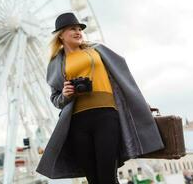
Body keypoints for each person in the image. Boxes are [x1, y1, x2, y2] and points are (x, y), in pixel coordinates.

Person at [36, 12, 165, 184]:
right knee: (93, 178)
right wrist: (65, 95)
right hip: (76, 122)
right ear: (61, 35)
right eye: (72, 29)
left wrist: (141, 103)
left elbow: (124, 81)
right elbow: (55, 99)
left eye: (79, 29)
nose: (78, 32)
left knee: (107, 175)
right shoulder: (55, 64)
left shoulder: (97, 50)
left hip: (106, 116)